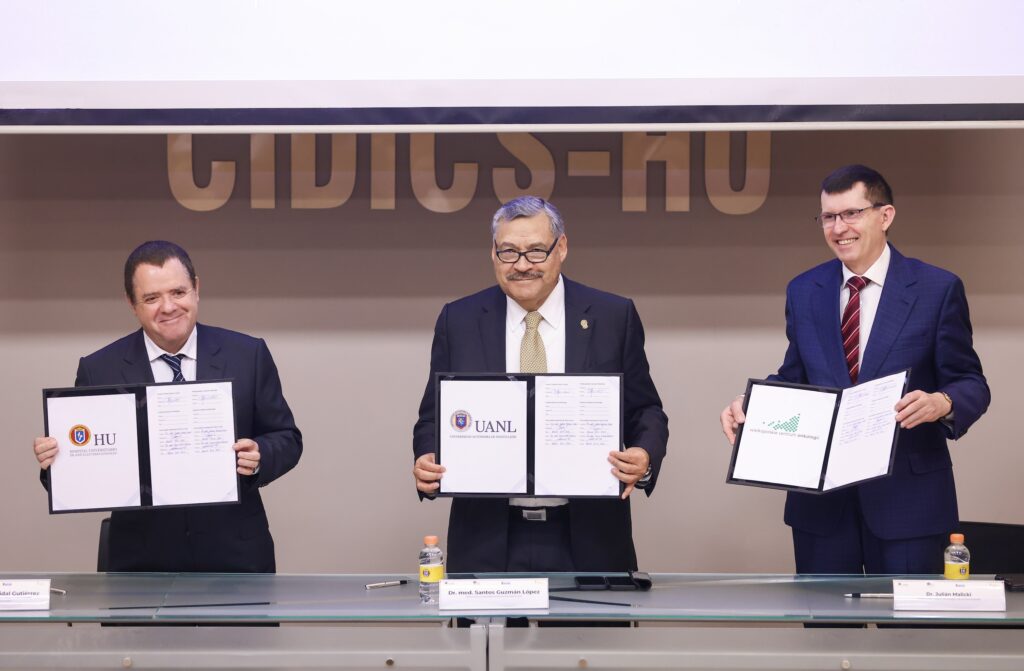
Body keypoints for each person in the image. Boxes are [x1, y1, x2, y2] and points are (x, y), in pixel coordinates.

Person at [720, 165, 990, 574]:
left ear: (885, 216)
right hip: (822, 507)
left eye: (851, 213)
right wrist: (752, 404)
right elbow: (795, 377)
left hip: (908, 503)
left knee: (907, 619)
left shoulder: (937, 288)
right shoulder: (804, 290)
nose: (838, 228)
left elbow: (971, 382)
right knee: (824, 618)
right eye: (828, 216)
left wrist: (942, 402)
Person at [412, 196, 669, 573]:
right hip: (486, 537)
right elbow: (433, 418)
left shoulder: (613, 316)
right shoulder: (459, 319)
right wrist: (426, 457)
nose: (521, 265)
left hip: (590, 537)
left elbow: (646, 410)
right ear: (493, 253)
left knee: (593, 619)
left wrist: (644, 455)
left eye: (535, 251)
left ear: (561, 247)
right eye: (508, 252)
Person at [33, 241, 302, 572]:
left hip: (236, 554)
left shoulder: (248, 354)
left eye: (178, 292)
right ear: (131, 303)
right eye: (151, 298)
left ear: (196, 289)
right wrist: (55, 461)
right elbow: (77, 465)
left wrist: (260, 456)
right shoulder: (99, 369)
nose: (168, 307)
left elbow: (287, 438)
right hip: (141, 563)